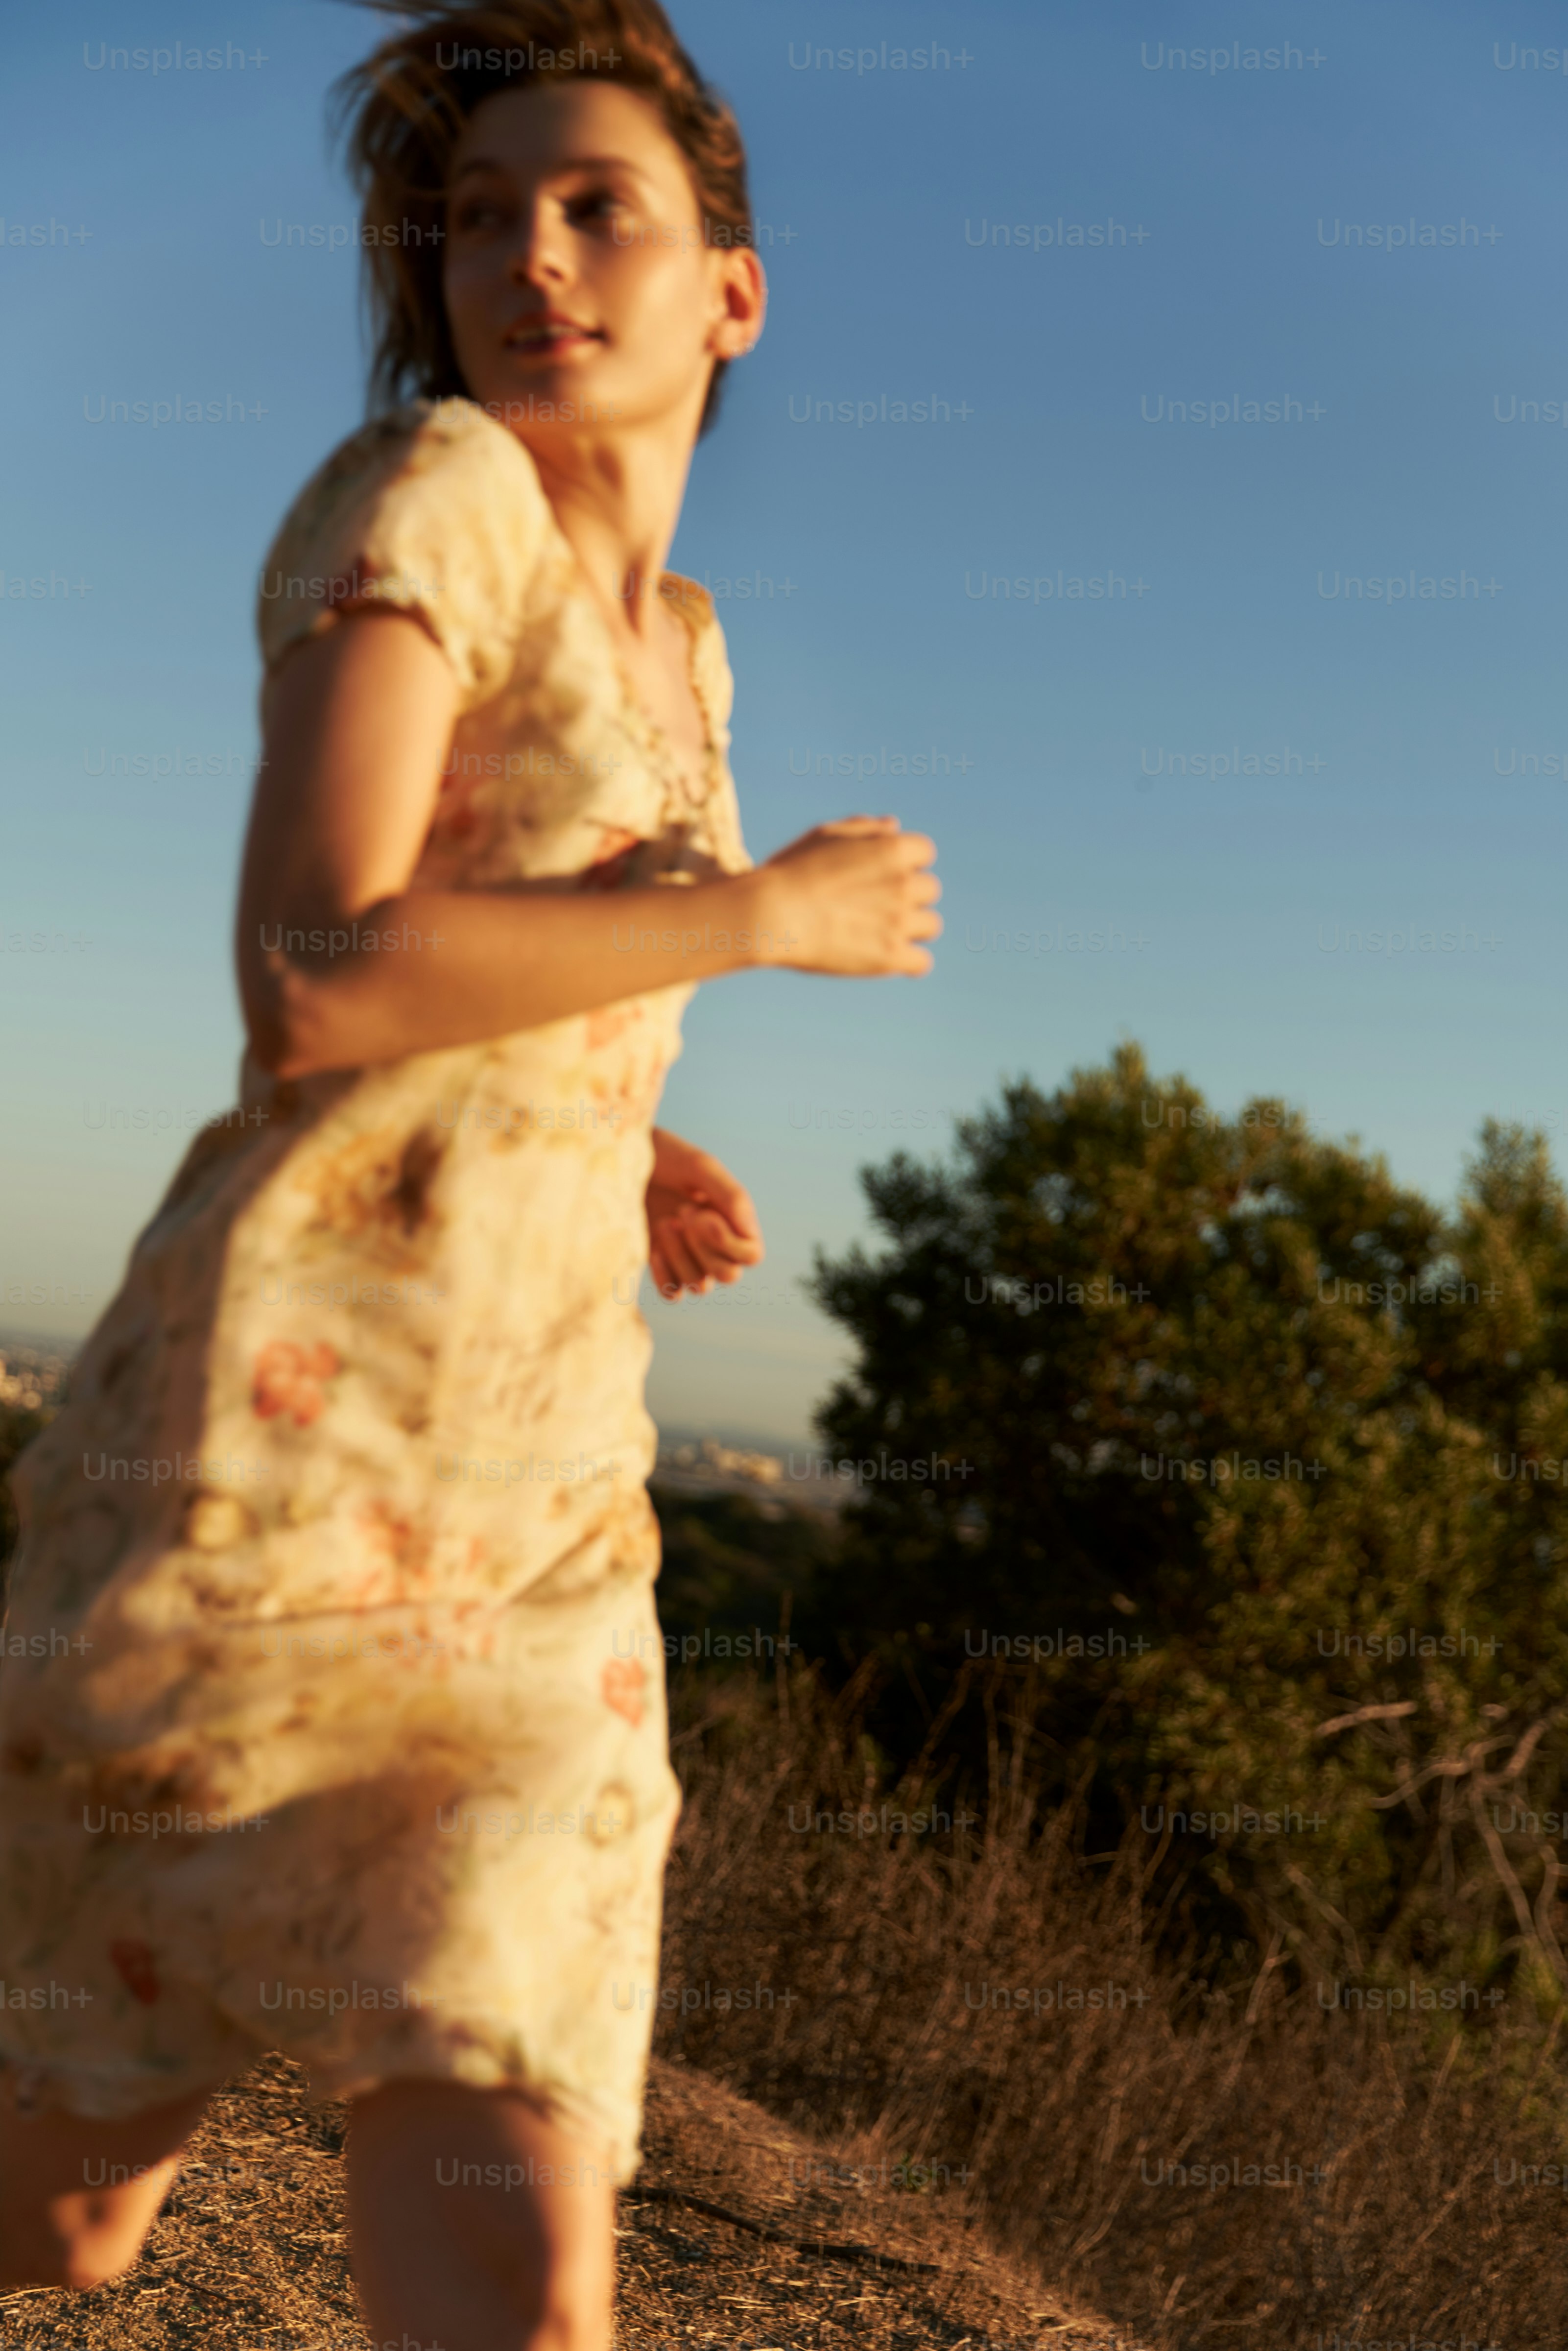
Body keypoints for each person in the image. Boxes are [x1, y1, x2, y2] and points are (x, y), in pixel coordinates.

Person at [0, 4, 939, 2344]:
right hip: (266, 1495)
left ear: (735, 284)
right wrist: (752, 918)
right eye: (476, 218)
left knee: (526, 2274)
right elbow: (311, 969)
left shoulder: (694, 651)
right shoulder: (436, 494)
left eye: (595, 204)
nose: (529, 255)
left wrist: (621, 1130)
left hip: (543, 1536)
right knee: (69, 2214)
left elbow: (504, 965)